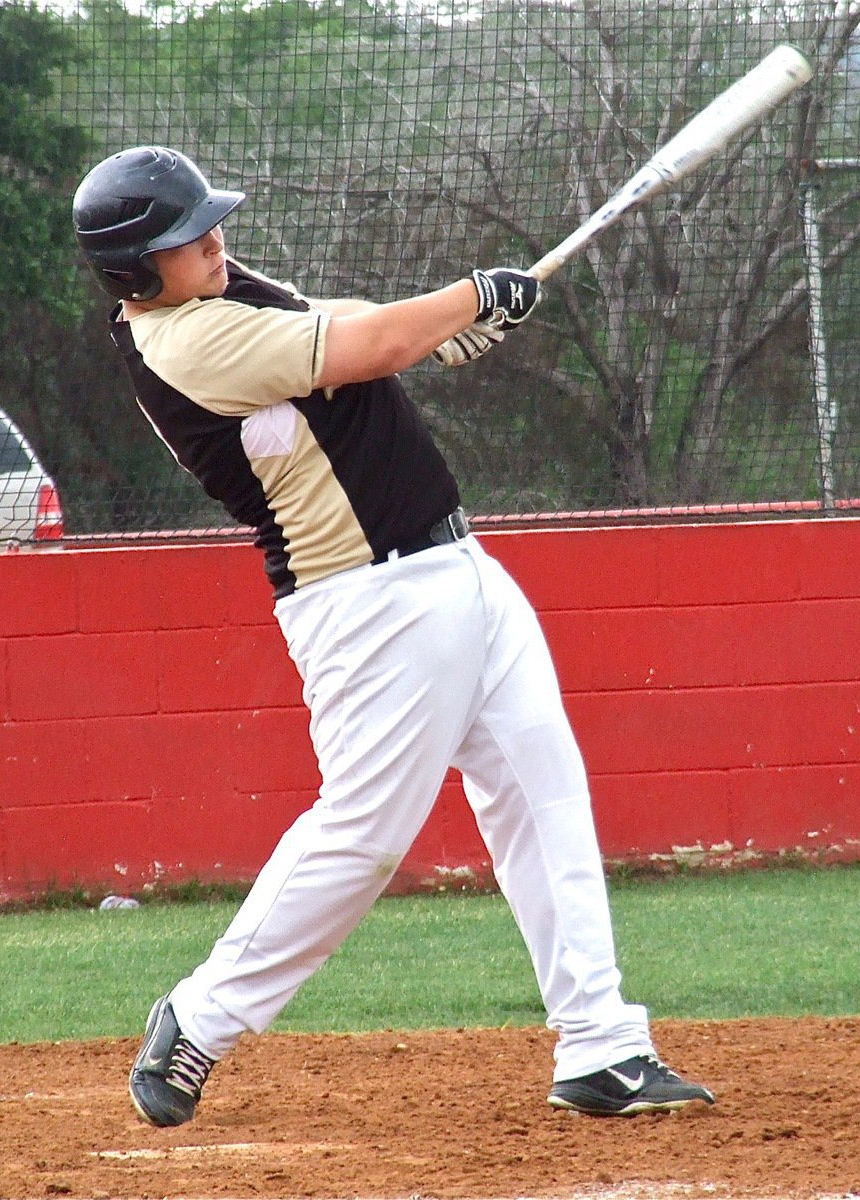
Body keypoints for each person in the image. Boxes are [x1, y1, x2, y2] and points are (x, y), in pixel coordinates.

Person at [72, 145, 715, 1127]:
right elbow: (365, 348)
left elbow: (352, 328)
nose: (209, 239)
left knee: (545, 795)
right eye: (179, 238)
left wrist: (444, 324)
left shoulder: (220, 294)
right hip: (371, 606)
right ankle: (199, 1018)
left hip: (455, 574)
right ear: (133, 273)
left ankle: (602, 1043)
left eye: (204, 221)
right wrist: (465, 298)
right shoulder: (185, 345)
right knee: (364, 834)